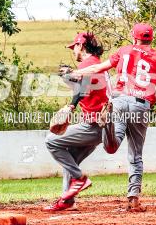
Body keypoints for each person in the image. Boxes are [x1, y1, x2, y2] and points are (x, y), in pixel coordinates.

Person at [71, 23, 156, 212]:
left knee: (112, 147)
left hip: (120, 101)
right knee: (135, 154)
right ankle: (133, 198)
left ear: (134, 37)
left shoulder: (124, 51)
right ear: (151, 39)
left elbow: (99, 67)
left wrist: (76, 72)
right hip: (141, 105)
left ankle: (106, 125)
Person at [43, 32, 109, 212]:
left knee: (51, 141)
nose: (74, 51)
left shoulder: (87, 64)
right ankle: (67, 201)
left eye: (75, 47)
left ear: (81, 46)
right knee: (69, 160)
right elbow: (86, 87)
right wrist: (69, 77)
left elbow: (83, 89)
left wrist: (71, 106)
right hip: (102, 125)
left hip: (94, 125)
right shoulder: (97, 63)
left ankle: (80, 179)